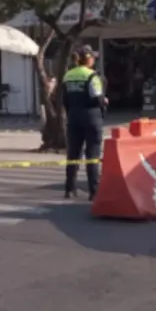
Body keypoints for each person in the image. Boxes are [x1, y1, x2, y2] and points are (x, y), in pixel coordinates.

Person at [62, 45, 108, 200]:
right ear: (88, 59)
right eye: (93, 57)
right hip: (91, 118)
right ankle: (93, 192)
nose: (94, 59)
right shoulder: (92, 76)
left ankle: (69, 189)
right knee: (92, 155)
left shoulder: (68, 75)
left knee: (73, 154)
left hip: (74, 118)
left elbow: (65, 99)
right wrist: (104, 103)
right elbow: (98, 98)